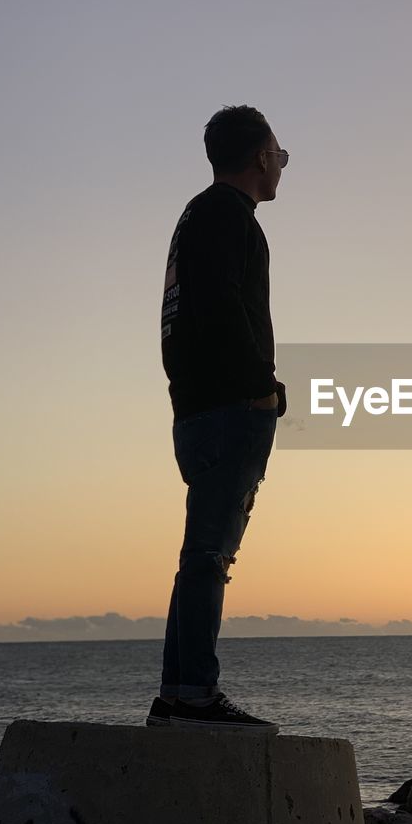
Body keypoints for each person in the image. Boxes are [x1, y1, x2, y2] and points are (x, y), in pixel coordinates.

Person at [148, 104, 289, 731]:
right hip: (229, 408)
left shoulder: (196, 218)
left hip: (200, 406)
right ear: (260, 157)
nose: (283, 166)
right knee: (209, 556)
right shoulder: (228, 217)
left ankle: (180, 693)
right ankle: (194, 697)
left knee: (200, 555)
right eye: (280, 155)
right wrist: (262, 390)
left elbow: (180, 320)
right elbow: (221, 308)